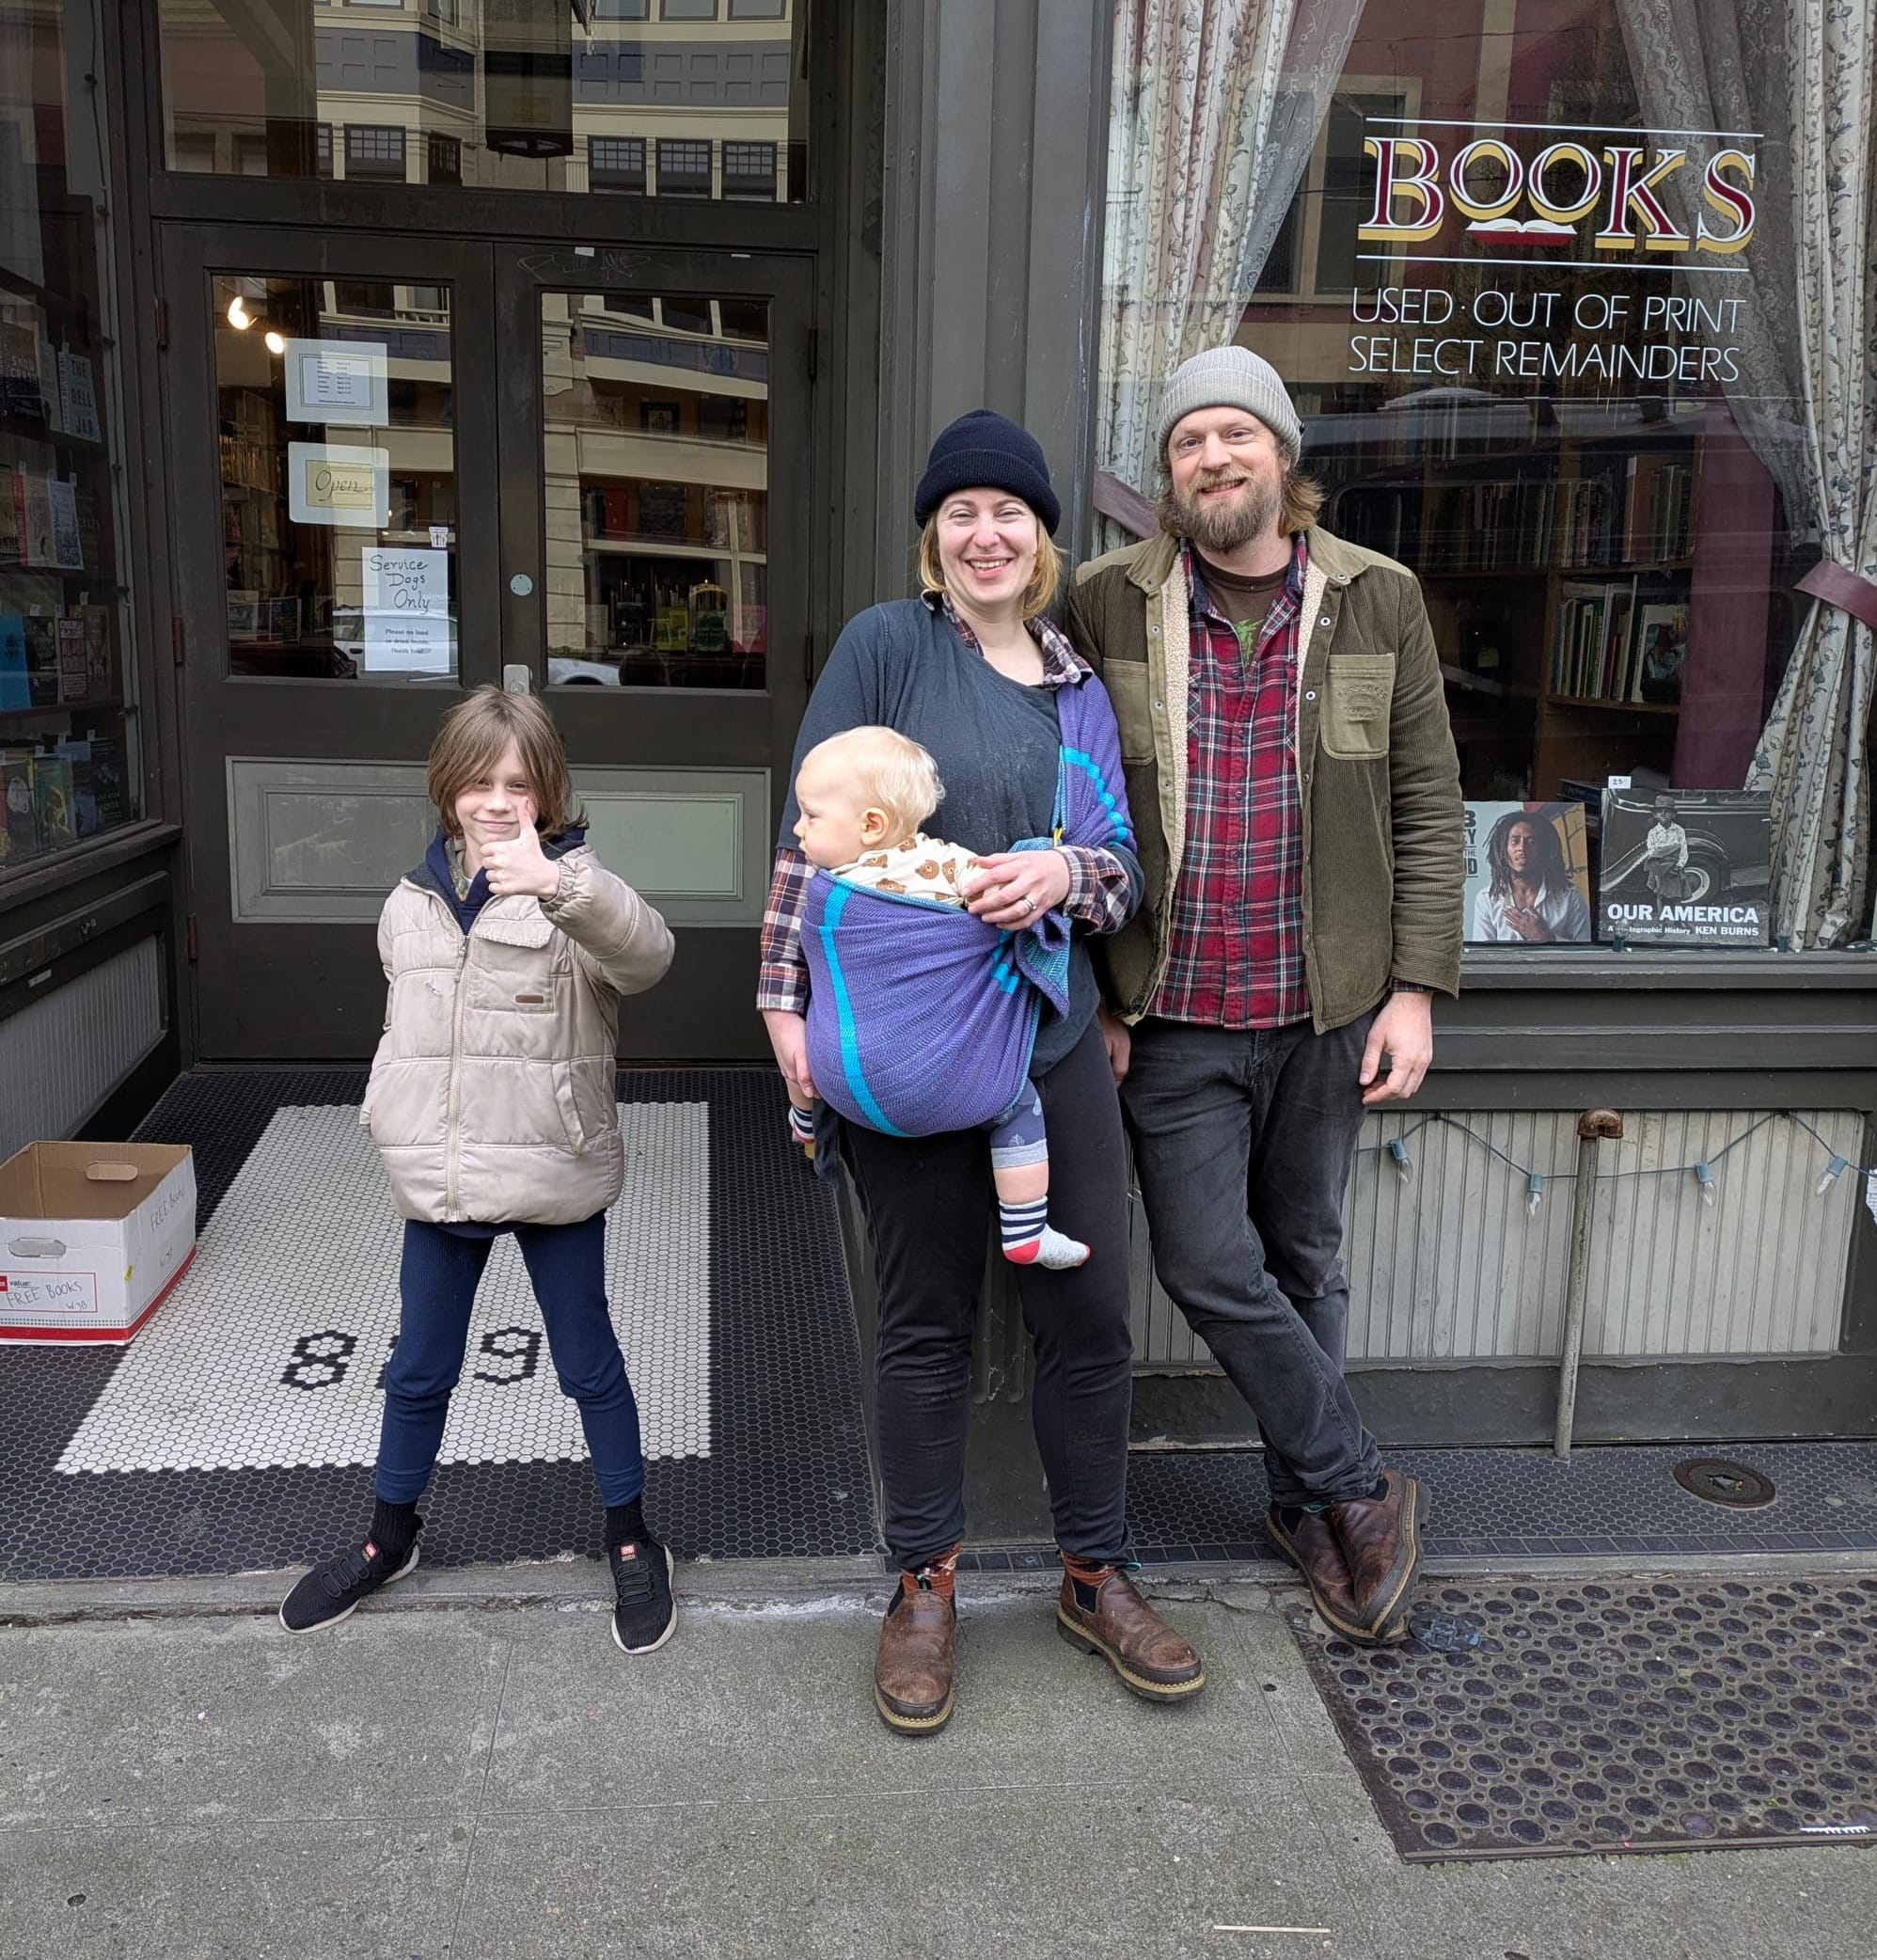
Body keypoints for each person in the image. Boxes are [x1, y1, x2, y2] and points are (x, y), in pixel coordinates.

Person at [759, 409, 1205, 1734]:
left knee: (1088, 1318)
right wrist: (782, 1009)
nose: (986, 533)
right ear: (932, 537)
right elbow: (812, 828)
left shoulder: (1076, 685)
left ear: (1044, 539)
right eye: (961, 513)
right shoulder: (884, 649)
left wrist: (1063, 872)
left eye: (1009, 512)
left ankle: (1092, 1570)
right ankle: (925, 1583)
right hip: (897, 1054)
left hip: (1044, 1041)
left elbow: (1120, 861)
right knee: (922, 1326)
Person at [1066, 346, 1464, 1646]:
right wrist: (1098, 996)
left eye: (1239, 434)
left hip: (1326, 1003)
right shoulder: (1105, 602)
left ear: (1283, 458)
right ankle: (1359, 1483)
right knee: (1204, 1260)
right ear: (1168, 475)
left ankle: (1309, 1508)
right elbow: (1061, 798)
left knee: (1306, 1257)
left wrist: (1413, 989)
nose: (1215, 459)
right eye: (1189, 442)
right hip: (1173, 1009)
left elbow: (1424, 803)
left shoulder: (1378, 598)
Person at [278, 687, 678, 1652]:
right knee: (418, 1366)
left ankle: (630, 1537)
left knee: (589, 1364)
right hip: (445, 1175)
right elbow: (408, 1029)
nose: (497, 800)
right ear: (446, 787)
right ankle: (389, 1536)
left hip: (550, 1164)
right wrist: (391, 1109)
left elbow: (649, 953)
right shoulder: (411, 901)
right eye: (478, 781)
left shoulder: (574, 889)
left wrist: (556, 884)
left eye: (519, 782)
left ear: (547, 792)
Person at [786, 724, 1088, 1269]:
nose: (797, 829)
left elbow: (812, 959)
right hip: (944, 1077)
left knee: (814, 1024)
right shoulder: (952, 865)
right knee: (1017, 1105)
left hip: (843, 1077)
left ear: (870, 825)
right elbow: (1013, 901)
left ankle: (805, 1123)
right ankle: (1026, 1229)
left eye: (810, 816)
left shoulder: (824, 889)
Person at [1472, 808, 1590, 943]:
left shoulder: (1570, 896)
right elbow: (1482, 958)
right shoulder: (1487, 899)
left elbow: (1587, 955)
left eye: (1531, 842)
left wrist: (1547, 938)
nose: (1521, 848)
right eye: (1514, 841)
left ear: (1543, 849)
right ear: (1503, 850)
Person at [1644, 795, 1692, 902]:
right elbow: (1652, 851)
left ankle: (1675, 913)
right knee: (1659, 892)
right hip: (1659, 866)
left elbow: (1683, 850)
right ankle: (1661, 912)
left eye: (1667, 811)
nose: (1663, 814)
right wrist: (1658, 866)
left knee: (1676, 892)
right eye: (1660, 811)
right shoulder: (1653, 832)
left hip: (1674, 867)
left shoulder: (1679, 830)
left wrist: (1679, 866)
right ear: (1655, 815)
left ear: (1673, 815)